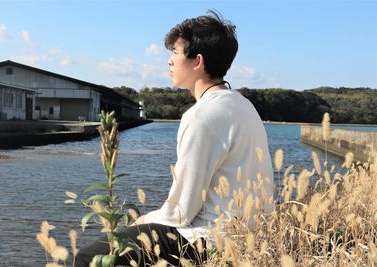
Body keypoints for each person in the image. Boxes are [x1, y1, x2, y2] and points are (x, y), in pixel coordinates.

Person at [76, 10, 273, 266]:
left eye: (175, 53)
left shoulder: (201, 115)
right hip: (248, 235)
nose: (170, 61)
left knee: (89, 257)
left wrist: (144, 219)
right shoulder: (244, 105)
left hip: (209, 241)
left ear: (197, 61)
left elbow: (181, 212)